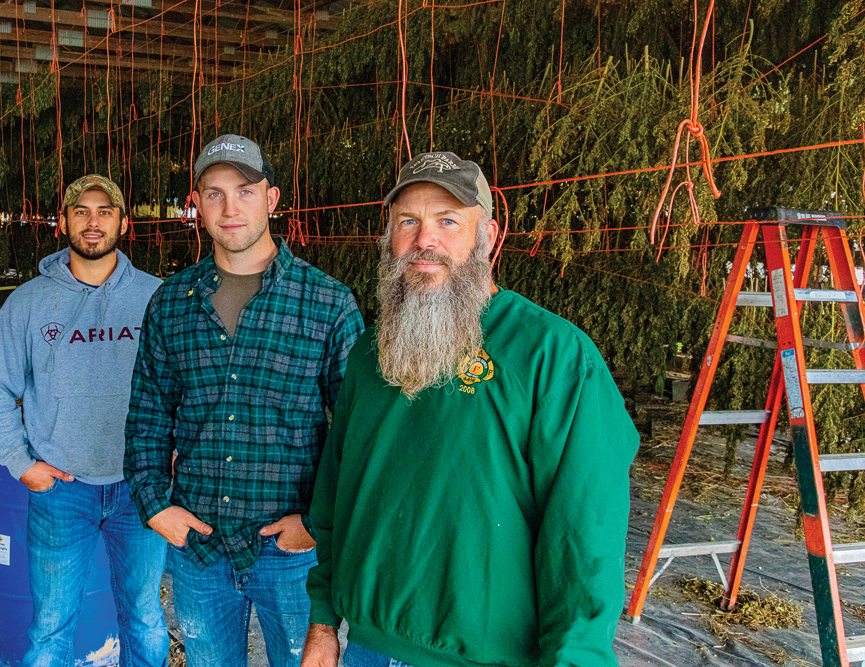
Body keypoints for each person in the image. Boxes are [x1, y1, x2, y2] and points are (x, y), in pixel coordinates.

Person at [301, 152, 640, 667]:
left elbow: (583, 539)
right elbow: (336, 494)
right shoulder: (372, 353)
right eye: (407, 222)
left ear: (489, 237)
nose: (424, 240)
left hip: (485, 657)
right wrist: (324, 622)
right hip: (367, 647)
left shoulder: (552, 356)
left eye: (448, 221)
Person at [124, 134, 365, 667]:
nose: (230, 208)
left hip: (291, 552)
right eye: (214, 193)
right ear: (198, 205)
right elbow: (146, 415)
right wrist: (155, 504)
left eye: (245, 191)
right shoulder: (171, 302)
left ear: (272, 200)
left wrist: (317, 522)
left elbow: (357, 430)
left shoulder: (326, 303)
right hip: (199, 551)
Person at [0, 175, 168, 667]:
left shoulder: (158, 298)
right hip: (62, 490)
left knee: (145, 618)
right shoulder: (29, 303)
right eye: (81, 211)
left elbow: (188, 387)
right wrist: (22, 463)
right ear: (62, 221)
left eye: (105, 211)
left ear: (123, 223)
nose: (93, 221)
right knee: (51, 627)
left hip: (141, 489)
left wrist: (176, 452)